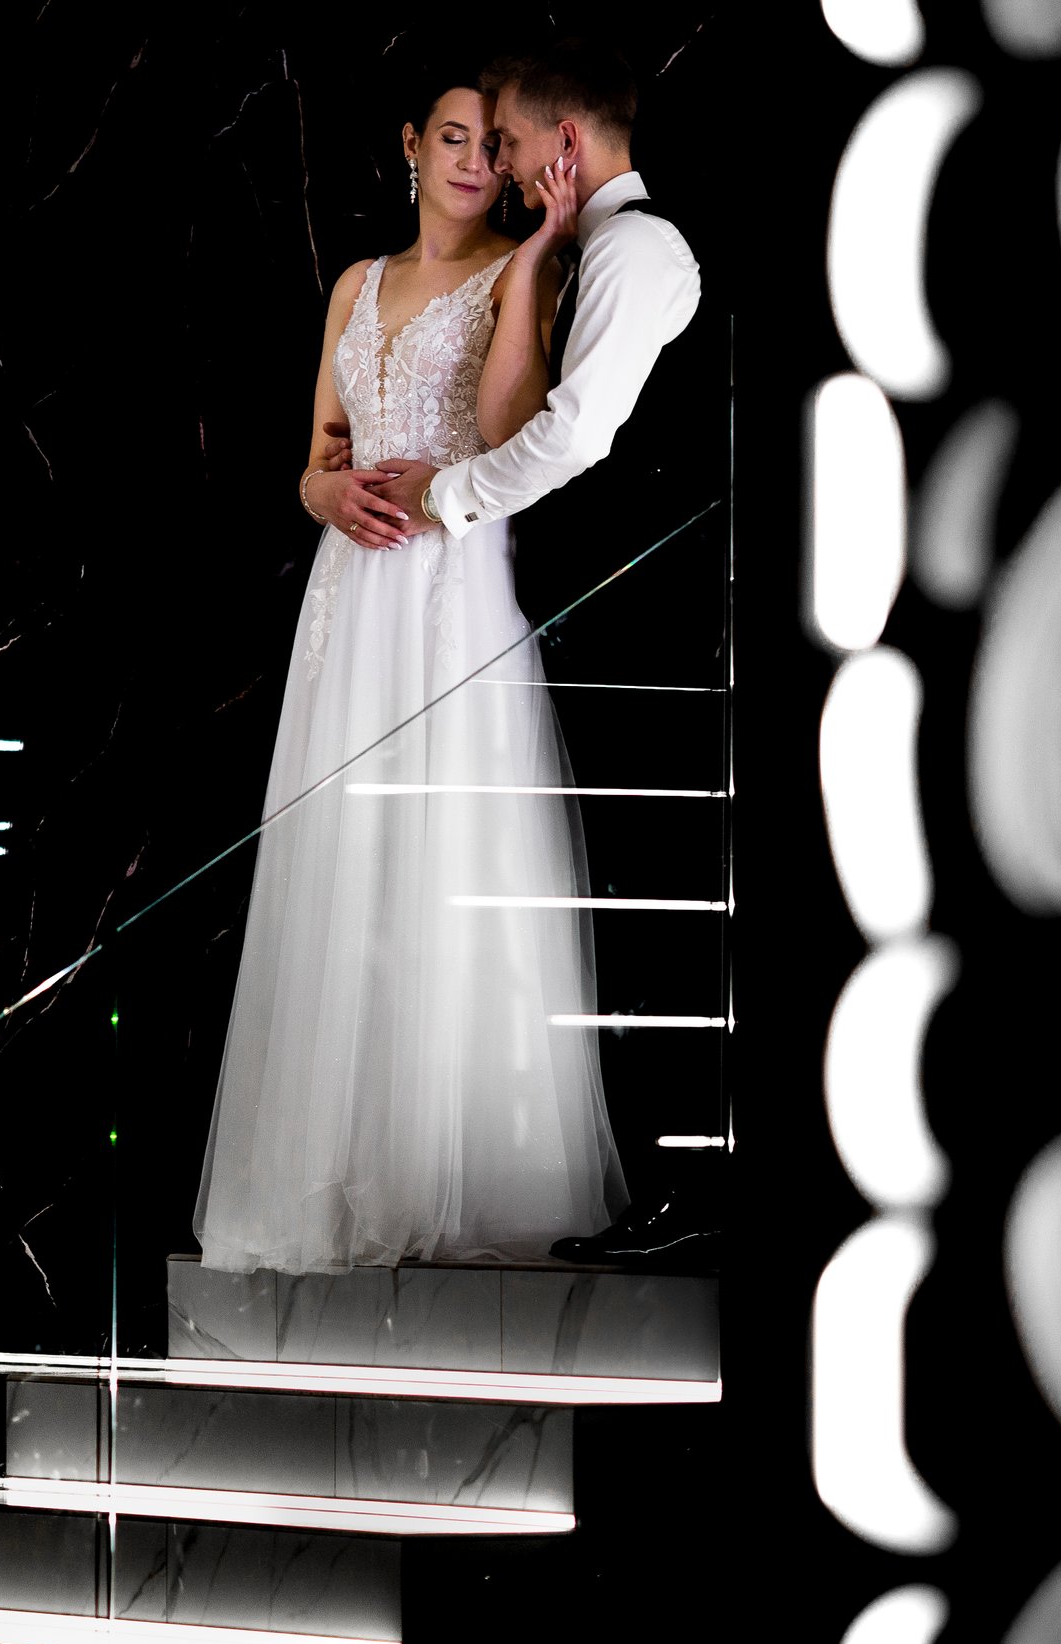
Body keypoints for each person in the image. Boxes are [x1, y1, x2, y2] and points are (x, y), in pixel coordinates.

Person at [190, 59, 630, 1276]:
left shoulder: (514, 274)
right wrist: (325, 489)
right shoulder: (356, 284)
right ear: (410, 145)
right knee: (339, 866)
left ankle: (442, 1178)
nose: (471, 161)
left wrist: (538, 255)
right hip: (350, 596)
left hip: (449, 587)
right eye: (451, 138)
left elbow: (502, 436)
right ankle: (327, 1179)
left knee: (447, 862)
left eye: (493, 144)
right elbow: (313, 458)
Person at [352, 40, 726, 1269]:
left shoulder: (639, 250)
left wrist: (450, 494)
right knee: (617, 895)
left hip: (654, 623)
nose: (498, 171)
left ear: (564, 146)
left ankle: (691, 1191)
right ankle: (668, 1188)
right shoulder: (586, 249)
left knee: (652, 897)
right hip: (603, 617)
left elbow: (576, 436)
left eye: (506, 146)